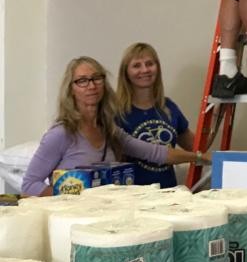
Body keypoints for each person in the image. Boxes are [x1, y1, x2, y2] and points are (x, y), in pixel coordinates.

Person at [22, 57, 207, 197]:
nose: (91, 86)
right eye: (82, 81)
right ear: (71, 89)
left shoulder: (109, 130)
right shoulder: (62, 134)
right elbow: (29, 185)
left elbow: (154, 152)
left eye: (97, 78)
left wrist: (200, 157)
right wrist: (69, 198)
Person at [116, 42, 196, 188]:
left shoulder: (168, 107)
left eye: (149, 63)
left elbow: (195, 146)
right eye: (136, 65)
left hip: (168, 194)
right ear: (125, 72)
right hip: (132, 197)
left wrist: (216, 115)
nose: (145, 70)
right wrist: (199, 157)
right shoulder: (116, 112)